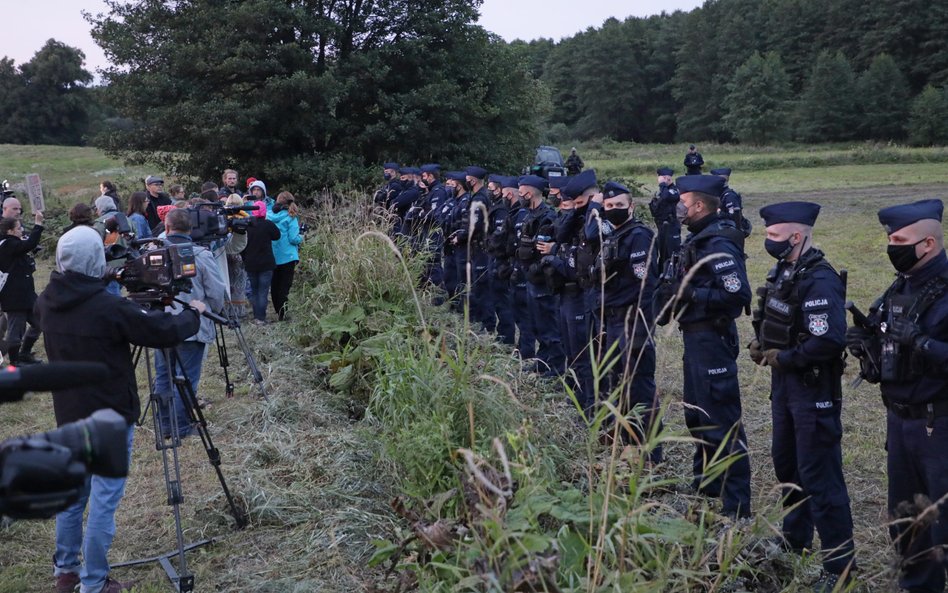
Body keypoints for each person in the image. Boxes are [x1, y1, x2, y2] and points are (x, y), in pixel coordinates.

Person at [36, 225, 203, 593]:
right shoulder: (108, 307)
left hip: (69, 413)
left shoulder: (47, 299)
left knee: (74, 496)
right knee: (103, 503)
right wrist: (194, 313)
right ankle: (94, 583)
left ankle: (66, 572)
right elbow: (161, 331)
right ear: (96, 260)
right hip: (109, 416)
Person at [750, 202, 856, 591]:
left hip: (812, 388)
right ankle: (795, 541)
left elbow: (828, 339)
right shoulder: (785, 271)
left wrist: (788, 357)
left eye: (775, 236)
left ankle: (840, 566)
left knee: (820, 476)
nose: (768, 241)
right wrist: (762, 343)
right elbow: (781, 319)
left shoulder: (820, 279)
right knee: (787, 465)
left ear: (797, 236)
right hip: (785, 385)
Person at [846, 199, 948, 593]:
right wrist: (866, 346)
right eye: (890, 238)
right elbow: (890, 356)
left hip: (938, 423)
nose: (892, 246)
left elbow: (924, 348)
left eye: (900, 239)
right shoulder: (900, 287)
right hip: (900, 421)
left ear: (927, 244)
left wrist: (923, 343)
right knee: (906, 521)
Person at [654, 174, 751, 518]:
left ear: (698, 205)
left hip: (713, 338)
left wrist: (691, 293)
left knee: (722, 419)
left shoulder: (719, 243)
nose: (677, 205)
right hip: (694, 336)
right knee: (697, 414)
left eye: (683, 200)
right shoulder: (697, 238)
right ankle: (706, 483)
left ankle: (737, 506)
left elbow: (737, 296)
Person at [586, 181, 661, 460]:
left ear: (631, 207)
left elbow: (646, 285)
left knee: (640, 386)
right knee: (619, 384)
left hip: (633, 322)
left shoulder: (639, 236)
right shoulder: (613, 235)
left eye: (619, 205)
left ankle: (652, 453)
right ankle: (628, 442)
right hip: (613, 321)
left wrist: (641, 325)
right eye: (608, 206)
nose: (614, 209)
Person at [154, 208, 227, 438]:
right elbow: (216, 293)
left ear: (166, 228)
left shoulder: (152, 253)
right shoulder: (201, 255)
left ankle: (165, 426)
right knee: (185, 380)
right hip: (191, 326)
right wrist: (211, 312)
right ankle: (181, 428)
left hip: (160, 325)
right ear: (191, 230)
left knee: (164, 376)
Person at [515, 174, 565, 375]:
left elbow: (549, 249)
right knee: (536, 325)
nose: (519, 197)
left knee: (549, 328)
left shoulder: (548, 216)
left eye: (520, 193)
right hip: (531, 278)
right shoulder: (529, 214)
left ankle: (556, 368)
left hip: (544, 280)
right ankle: (543, 361)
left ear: (528, 193)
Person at [0, 211, 44, 364]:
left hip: (26, 295)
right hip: (14, 297)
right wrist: (38, 224)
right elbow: (29, 244)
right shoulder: (7, 244)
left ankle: (24, 353)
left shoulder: (13, 244)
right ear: (10, 231)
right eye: (19, 229)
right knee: (15, 333)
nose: (21, 231)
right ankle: (14, 362)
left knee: (39, 323)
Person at [242, 201, 281, 324]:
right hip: (266, 262)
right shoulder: (268, 224)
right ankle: (261, 317)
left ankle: (256, 316)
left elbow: (241, 244)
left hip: (250, 262)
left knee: (254, 290)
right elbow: (277, 236)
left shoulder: (247, 226)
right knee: (263, 292)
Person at [267, 191, 303, 321]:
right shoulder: (291, 216)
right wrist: (302, 237)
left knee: (275, 284)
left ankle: (277, 310)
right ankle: (283, 313)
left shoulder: (269, 215)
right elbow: (293, 238)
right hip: (288, 256)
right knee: (285, 285)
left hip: (272, 254)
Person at [649, 167, 681, 268]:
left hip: (671, 226)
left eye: (664, 178)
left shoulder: (673, 190)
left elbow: (667, 196)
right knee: (662, 253)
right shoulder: (661, 191)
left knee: (671, 253)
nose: (661, 180)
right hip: (661, 226)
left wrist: (663, 184)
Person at [711, 167, 751, 237]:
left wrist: (718, 212)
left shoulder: (729, 196)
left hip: (732, 230)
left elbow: (734, 216)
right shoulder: (719, 193)